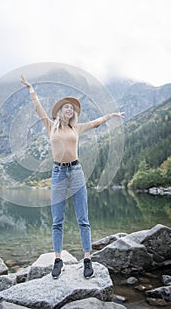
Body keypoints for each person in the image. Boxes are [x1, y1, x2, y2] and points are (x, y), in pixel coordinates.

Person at [21, 75, 125, 279]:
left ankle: (87, 259)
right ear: (60, 111)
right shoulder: (50, 126)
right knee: (57, 220)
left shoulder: (77, 128)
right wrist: (31, 89)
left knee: (83, 219)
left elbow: (96, 123)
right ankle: (58, 260)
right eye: (66, 107)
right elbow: (38, 108)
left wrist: (111, 115)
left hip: (76, 171)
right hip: (58, 173)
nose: (69, 109)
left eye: (72, 108)